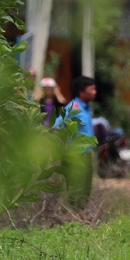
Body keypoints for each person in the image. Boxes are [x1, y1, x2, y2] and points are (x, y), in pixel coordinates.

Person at [55, 76, 97, 205]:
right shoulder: (73, 107)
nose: (95, 92)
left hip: (85, 154)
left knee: (85, 188)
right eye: (92, 89)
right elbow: (56, 127)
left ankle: (81, 218)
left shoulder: (86, 108)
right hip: (74, 155)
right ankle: (72, 218)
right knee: (75, 189)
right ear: (81, 92)